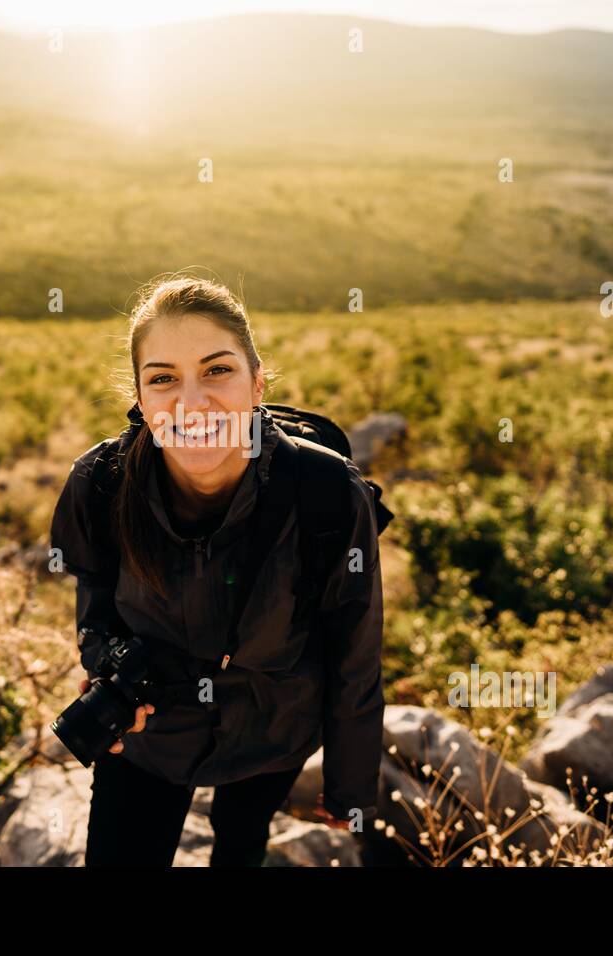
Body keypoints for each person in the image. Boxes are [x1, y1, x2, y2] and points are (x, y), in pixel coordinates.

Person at [49, 274, 385, 867]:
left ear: (258, 383)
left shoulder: (327, 491)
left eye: (217, 370)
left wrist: (351, 783)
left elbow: (354, 649)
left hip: (273, 728)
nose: (191, 401)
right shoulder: (99, 484)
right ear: (140, 398)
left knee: (240, 843)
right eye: (162, 379)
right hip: (151, 740)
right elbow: (95, 597)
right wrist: (105, 663)